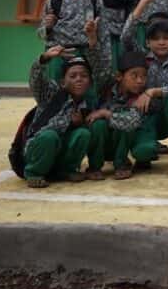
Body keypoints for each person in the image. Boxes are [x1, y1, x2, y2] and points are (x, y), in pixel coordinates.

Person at [22, 19, 109, 187]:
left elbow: (101, 69)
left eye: (83, 76)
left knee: (83, 133)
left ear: (89, 82)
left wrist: (78, 124)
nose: (78, 80)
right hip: (39, 148)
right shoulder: (51, 93)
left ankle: (65, 170)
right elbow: (36, 79)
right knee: (50, 136)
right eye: (73, 76)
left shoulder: (86, 103)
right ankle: (34, 172)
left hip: (59, 150)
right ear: (63, 81)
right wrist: (45, 58)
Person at [122, 0, 168, 179]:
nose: (161, 43)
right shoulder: (141, 58)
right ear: (148, 42)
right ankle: (146, 149)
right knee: (142, 153)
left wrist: (153, 91)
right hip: (146, 119)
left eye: (166, 38)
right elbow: (126, 36)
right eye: (156, 38)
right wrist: (143, 3)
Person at [38, 0, 108, 82]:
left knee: (86, 96)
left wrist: (104, 63)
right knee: (57, 95)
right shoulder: (53, 1)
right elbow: (40, 35)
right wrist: (47, 27)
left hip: (87, 56)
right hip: (59, 56)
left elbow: (103, 34)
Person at [104, 50, 157, 180]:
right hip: (109, 138)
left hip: (136, 134)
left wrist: (106, 113)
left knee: (144, 149)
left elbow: (131, 122)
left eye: (144, 76)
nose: (140, 81)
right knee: (99, 125)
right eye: (134, 75)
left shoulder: (141, 97)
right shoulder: (107, 88)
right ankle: (95, 166)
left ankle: (121, 163)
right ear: (119, 76)